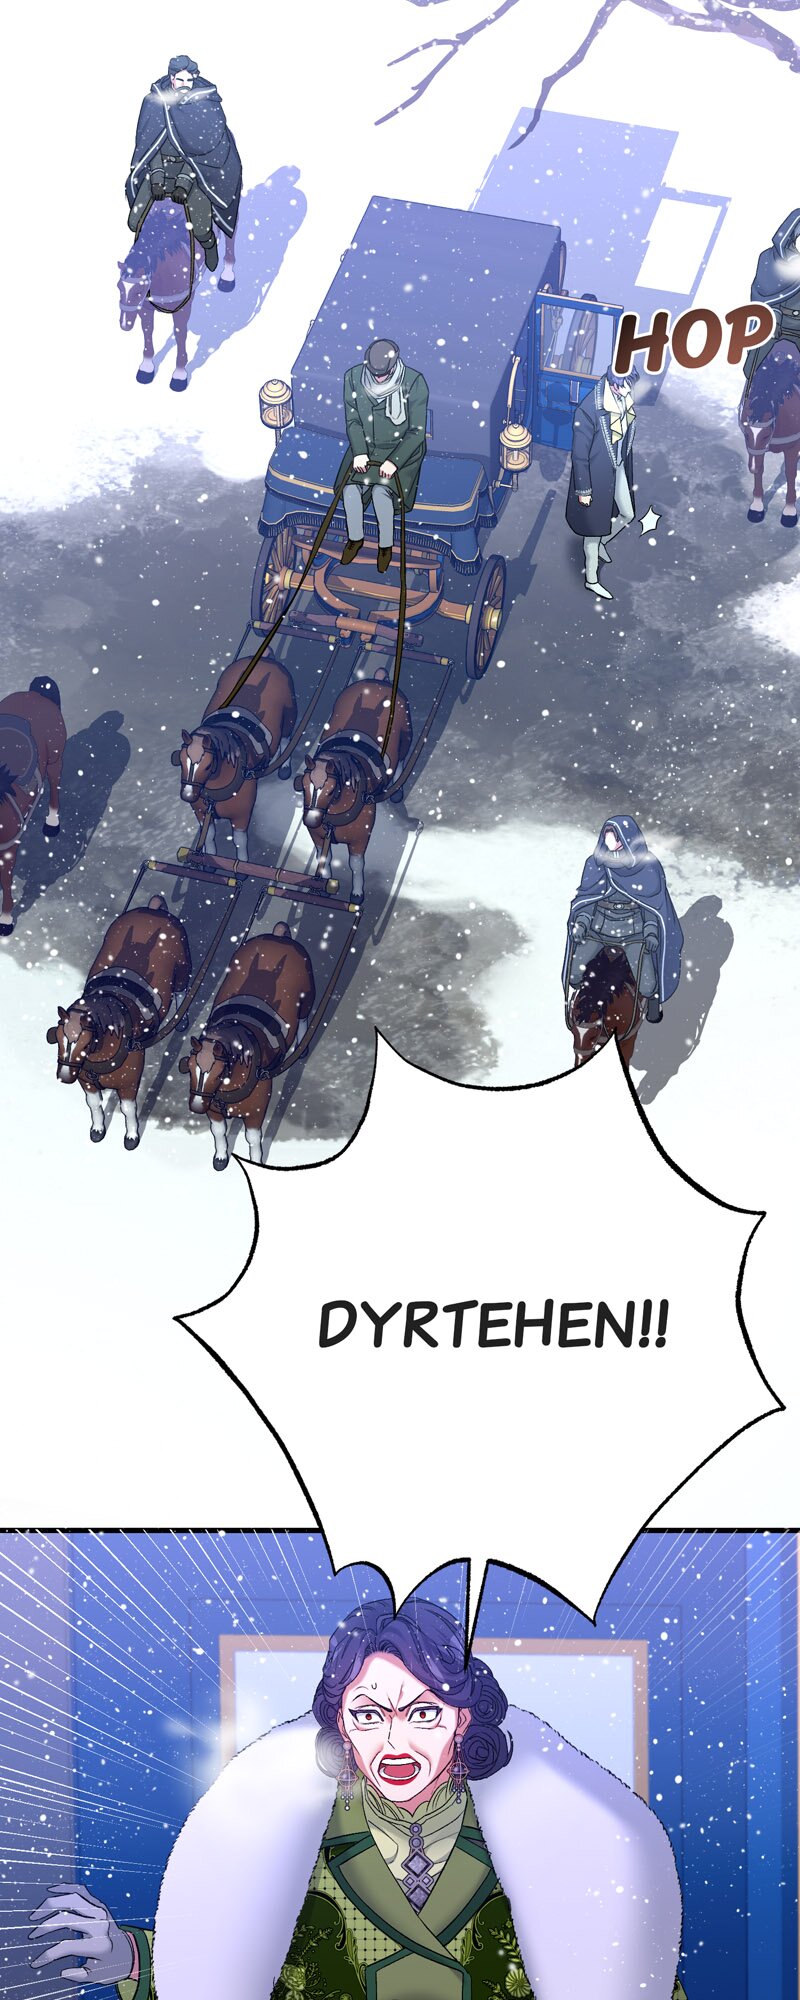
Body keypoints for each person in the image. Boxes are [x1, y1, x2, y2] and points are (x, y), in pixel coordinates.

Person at [29, 1597, 687, 2000]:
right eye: (369, 1714)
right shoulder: (290, 1841)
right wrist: (129, 1959)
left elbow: (616, 1969)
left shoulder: (543, 1846)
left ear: (464, 1718)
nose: (394, 1742)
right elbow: (227, 1963)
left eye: (423, 1713)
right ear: (339, 1723)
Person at [563, 815, 684, 1025]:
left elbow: (652, 906)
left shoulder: (647, 866)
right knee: (574, 975)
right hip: (598, 929)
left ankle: (653, 1003)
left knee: (647, 984)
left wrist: (651, 932)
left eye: (614, 836)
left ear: (626, 838)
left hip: (633, 933)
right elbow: (588, 898)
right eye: (606, 835)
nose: (609, 841)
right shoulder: (595, 863)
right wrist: (582, 923)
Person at [126, 57, 242, 275]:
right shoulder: (154, 102)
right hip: (159, 171)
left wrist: (184, 182)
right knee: (134, 222)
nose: (185, 84)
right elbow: (149, 146)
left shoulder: (205, 105)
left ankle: (209, 245)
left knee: (201, 226)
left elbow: (204, 153)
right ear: (172, 78)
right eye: (180, 80)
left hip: (194, 172)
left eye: (189, 80)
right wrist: (157, 177)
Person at [338, 339, 429, 573]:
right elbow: (353, 421)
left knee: (381, 493)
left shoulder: (414, 382)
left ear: (395, 363)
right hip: (365, 448)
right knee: (350, 491)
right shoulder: (352, 377)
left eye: (384, 375)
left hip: (402, 452)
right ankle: (355, 539)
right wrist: (359, 452)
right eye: (374, 374)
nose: (378, 379)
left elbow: (417, 432)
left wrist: (394, 462)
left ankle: (385, 546)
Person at [565, 364, 638, 599]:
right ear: (614, 385)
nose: (629, 391)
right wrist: (583, 489)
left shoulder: (623, 398)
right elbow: (579, 455)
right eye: (625, 386)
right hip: (595, 475)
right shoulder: (588, 410)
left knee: (627, 513)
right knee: (592, 531)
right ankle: (592, 580)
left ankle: (602, 543)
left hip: (617, 467)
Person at [743, 208, 800, 384]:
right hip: (777, 320)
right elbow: (763, 296)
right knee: (755, 367)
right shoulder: (770, 258)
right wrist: (773, 317)